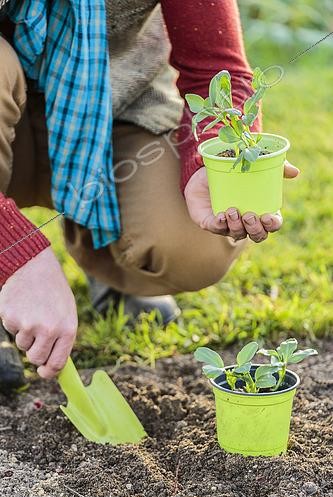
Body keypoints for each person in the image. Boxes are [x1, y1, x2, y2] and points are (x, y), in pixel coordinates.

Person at [0, 0, 299, 389]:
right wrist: (13, 253)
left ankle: (111, 265)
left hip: (119, 106)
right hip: (11, 111)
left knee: (192, 245)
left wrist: (210, 159)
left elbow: (216, 67)